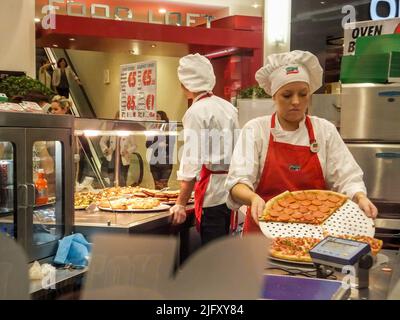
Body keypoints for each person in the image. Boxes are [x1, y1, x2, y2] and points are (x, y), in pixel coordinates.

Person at [225, 50, 378, 234]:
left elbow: (346, 177)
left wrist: (359, 196)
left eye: (303, 94)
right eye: (287, 95)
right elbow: (237, 183)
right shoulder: (256, 130)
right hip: (262, 234)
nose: (296, 102)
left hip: (314, 233)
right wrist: (253, 198)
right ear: (274, 96)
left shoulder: (324, 130)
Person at [170, 53, 239, 246]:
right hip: (231, 191)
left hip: (212, 196)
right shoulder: (228, 107)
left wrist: (180, 204)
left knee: (212, 255)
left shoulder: (195, 112)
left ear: (185, 85)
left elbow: (191, 161)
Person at [99, 112, 137, 187]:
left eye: (122, 117)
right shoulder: (111, 130)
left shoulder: (129, 131)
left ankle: (121, 194)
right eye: (118, 117)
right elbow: (102, 141)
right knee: (112, 178)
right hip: (112, 157)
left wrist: (127, 151)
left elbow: (134, 145)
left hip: (123, 158)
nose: (119, 119)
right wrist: (106, 149)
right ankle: (112, 193)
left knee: (122, 179)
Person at [146, 111, 175, 190]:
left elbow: (171, 144)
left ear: (162, 118)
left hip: (166, 161)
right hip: (154, 161)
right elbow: (148, 145)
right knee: (157, 186)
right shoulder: (152, 130)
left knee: (163, 185)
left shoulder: (168, 129)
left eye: (157, 116)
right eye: (155, 117)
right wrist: (158, 144)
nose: (156, 119)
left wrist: (157, 144)